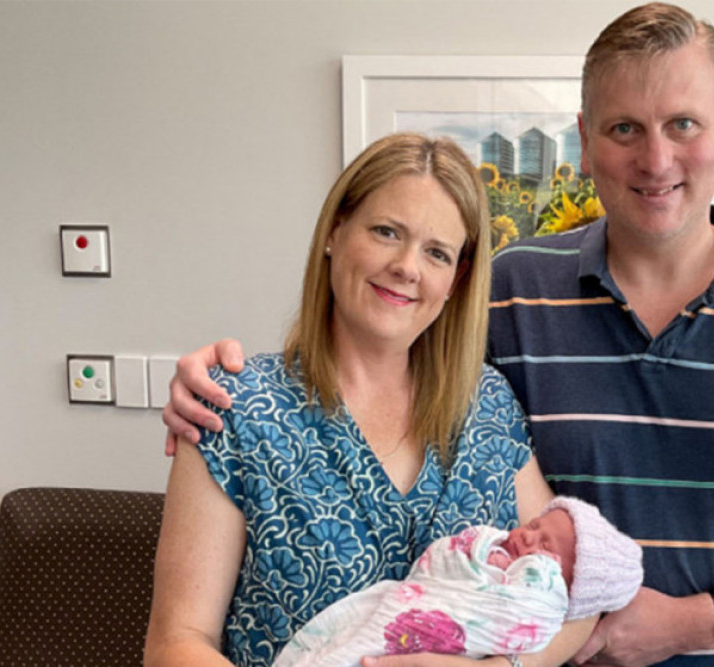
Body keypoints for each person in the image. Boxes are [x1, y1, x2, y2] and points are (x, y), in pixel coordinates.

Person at [162, 4, 714, 665]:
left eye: (683, 124)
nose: (655, 158)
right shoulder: (512, 288)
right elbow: (387, 341)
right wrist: (209, 377)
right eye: (625, 127)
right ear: (586, 143)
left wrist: (691, 623)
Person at [143, 133, 598, 667]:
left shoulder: (487, 408)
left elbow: (583, 597)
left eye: (437, 252)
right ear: (336, 231)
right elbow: (176, 642)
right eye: (387, 232)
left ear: (458, 278)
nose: (408, 266)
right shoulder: (234, 406)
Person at [273, 497, 643, 667]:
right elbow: (443, 559)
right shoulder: (496, 546)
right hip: (404, 606)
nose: (528, 539)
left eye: (546, 547)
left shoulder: (544, 600)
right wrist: (483, 553)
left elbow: (545, 616)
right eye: (533, 526)